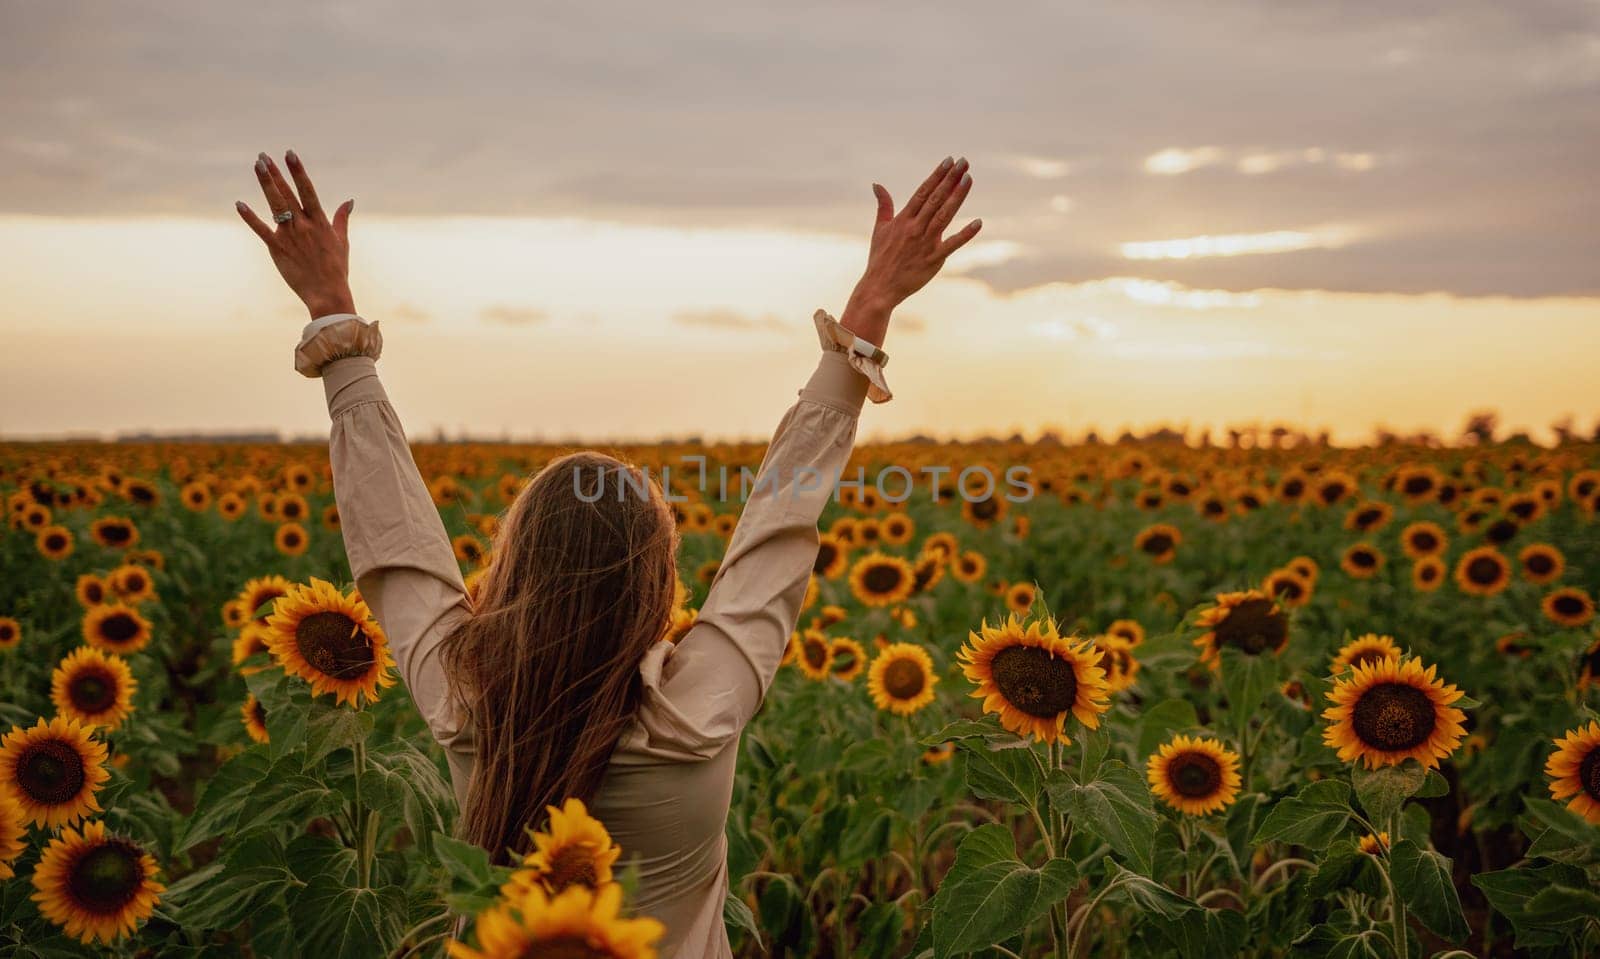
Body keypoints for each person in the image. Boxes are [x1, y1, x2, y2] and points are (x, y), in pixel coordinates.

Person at [236, 150, 980, 957]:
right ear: (657, 581)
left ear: (512, 568)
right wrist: (870, 307)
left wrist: (333, 319)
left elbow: (394, 544)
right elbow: (778, 524)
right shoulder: (698, 706)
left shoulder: (465, 696)